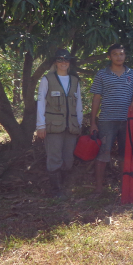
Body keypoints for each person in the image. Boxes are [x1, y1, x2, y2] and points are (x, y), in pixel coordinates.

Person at [89, 43, 133, 195]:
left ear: (125, 56)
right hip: (107, 120)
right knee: (103, 153)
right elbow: (96, 98)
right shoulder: (102, 74)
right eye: (115, 54)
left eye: (121, 54)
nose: (119, 57)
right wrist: (93, 122)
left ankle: (125, 187)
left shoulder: (131, 73)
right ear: (109, 56)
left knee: (126, 154)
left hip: (127, 121)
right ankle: (99, 188)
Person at [36, 48, 82, 198]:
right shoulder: (47, 79)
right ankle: (56, 191)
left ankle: (65, 187)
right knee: (54, 158)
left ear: (70, 62)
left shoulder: (75, 80)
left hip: (71, 127)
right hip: (53, 126)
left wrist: (79, 124)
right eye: (60, 59)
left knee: (68, 159)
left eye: (66, 60)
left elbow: (79, 105)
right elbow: (41, 103)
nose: (63, 62)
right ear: (55, 62)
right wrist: (40, 126)